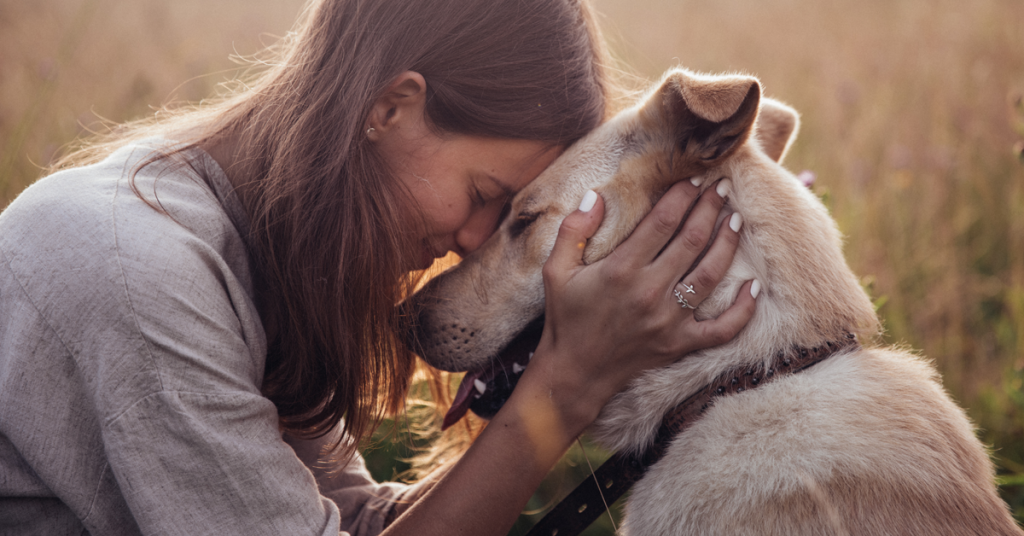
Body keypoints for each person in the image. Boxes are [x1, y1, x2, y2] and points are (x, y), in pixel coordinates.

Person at [0, 0, 757, 534]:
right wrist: (566, 385)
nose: (473, 241)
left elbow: (353, 527)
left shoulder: (250, 253)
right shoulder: (139, 274)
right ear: (391, 106)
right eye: (485, 196)